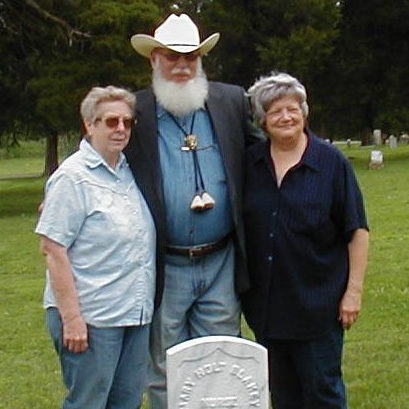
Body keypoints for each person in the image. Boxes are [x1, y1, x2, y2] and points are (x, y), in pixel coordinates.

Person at [127, 13, 262, 409]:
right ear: (153, 59)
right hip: (166, 267)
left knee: (221, 363)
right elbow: (102, 154)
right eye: (172, 57)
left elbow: (266, 155)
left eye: (191, 57)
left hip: (220, 260)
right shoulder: (135, 111)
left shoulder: (232, 101)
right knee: (165, 367)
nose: (183, 66)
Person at [242, 72, 369, 409]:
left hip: (318, 305)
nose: (285, 117)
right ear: (263, 120)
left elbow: (357, 230)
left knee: (322, 393)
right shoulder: (251, 164)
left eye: (292, 109)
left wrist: (352, 292)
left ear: (304, 112)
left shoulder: (331, 163)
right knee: (283, 396)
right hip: (267, 307)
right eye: (274, 112)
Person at [35, 86, 156, 409]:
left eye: (127, 123)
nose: (120, 129)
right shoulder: (72, 178)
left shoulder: (129, 170)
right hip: (92, 318)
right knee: (89, 402)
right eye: (111, 121)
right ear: (90, 125)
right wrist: (72, 319)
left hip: (134, 313)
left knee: (127, 401)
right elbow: (53, 250)